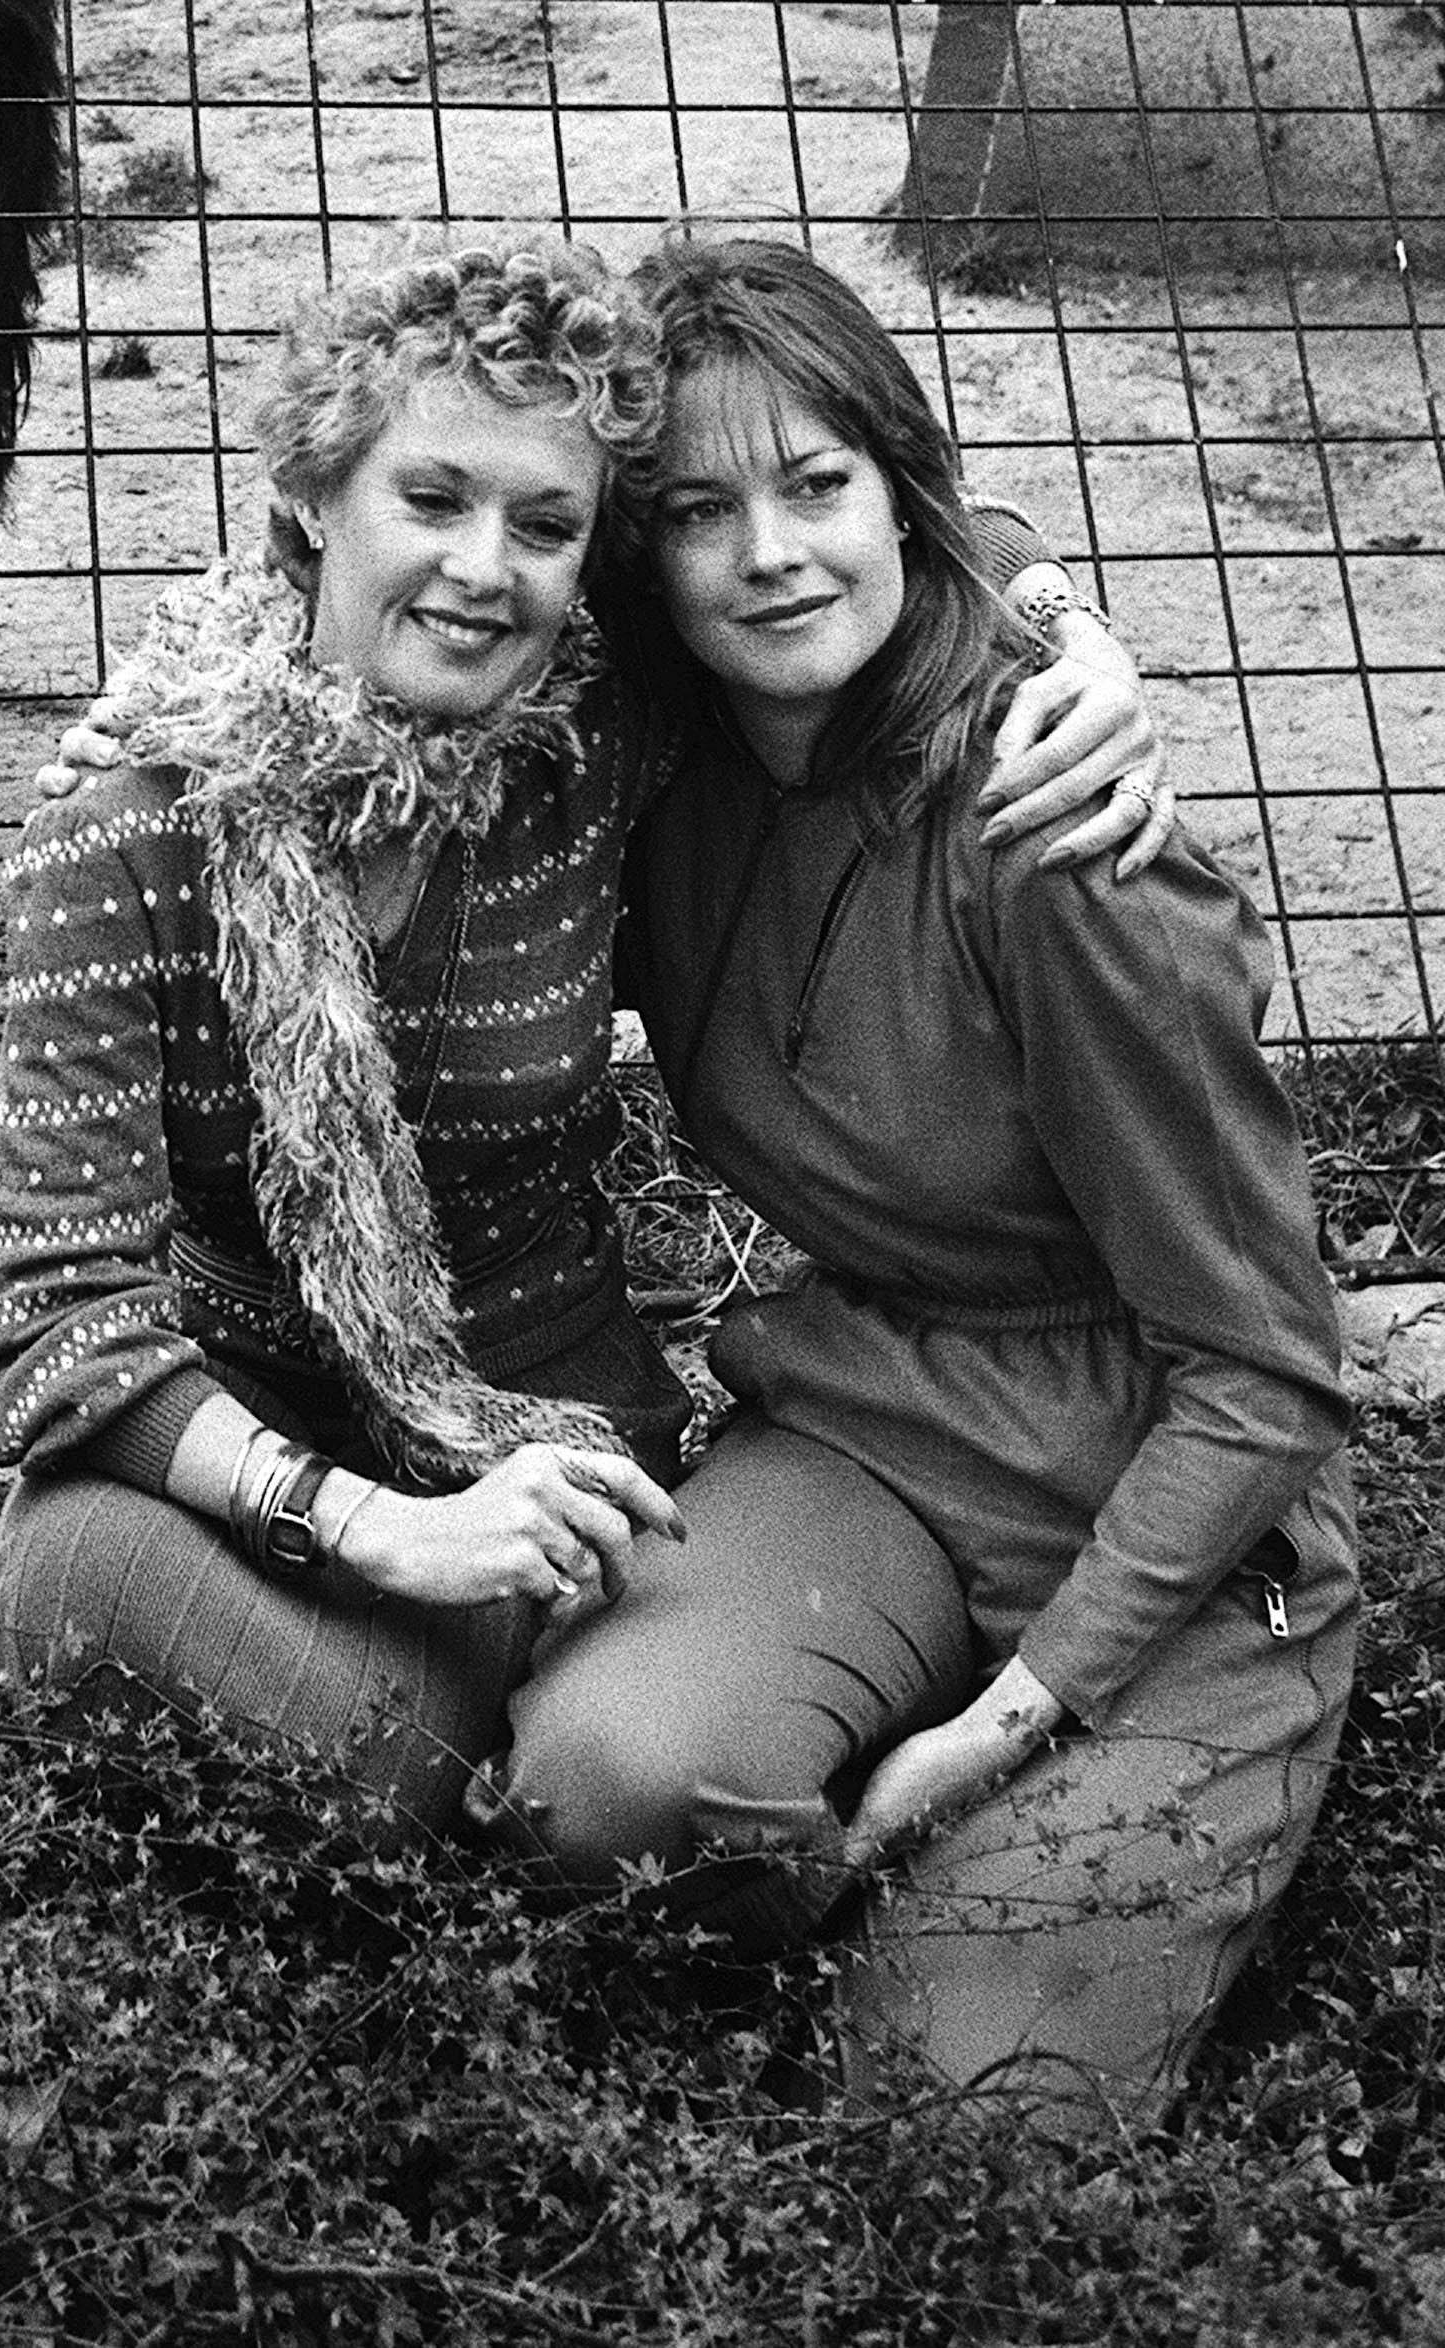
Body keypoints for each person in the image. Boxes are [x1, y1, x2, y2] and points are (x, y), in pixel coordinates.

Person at [0, 237, 1162, 1851]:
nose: (485, 569)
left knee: (567, 1759)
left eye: (546, 526)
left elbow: (840, 532)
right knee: (76, 1573)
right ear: (317, 496)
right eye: (433, 499)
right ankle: (461, 1775)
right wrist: (374, 1530)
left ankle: (508, 1774)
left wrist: (1066, 628)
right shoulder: (114, 837)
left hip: (547, 1451)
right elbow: (56, 1322)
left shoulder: (595, 739)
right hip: (240, 1458)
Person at [494, 238, 1360, 2124]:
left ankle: (1024, 1877)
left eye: (818, 488)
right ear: (642, 562)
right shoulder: (661, 767)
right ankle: (823, 1852)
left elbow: (1271, 1366)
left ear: (900, 491)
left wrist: (996, 1729)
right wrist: (168, 743)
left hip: (1173, 1513)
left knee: (959, 2123)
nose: (773, 554)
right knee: (601, 1794)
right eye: (700, 513)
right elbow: (413, 546)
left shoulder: (1056, 839)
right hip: (875, 1420)